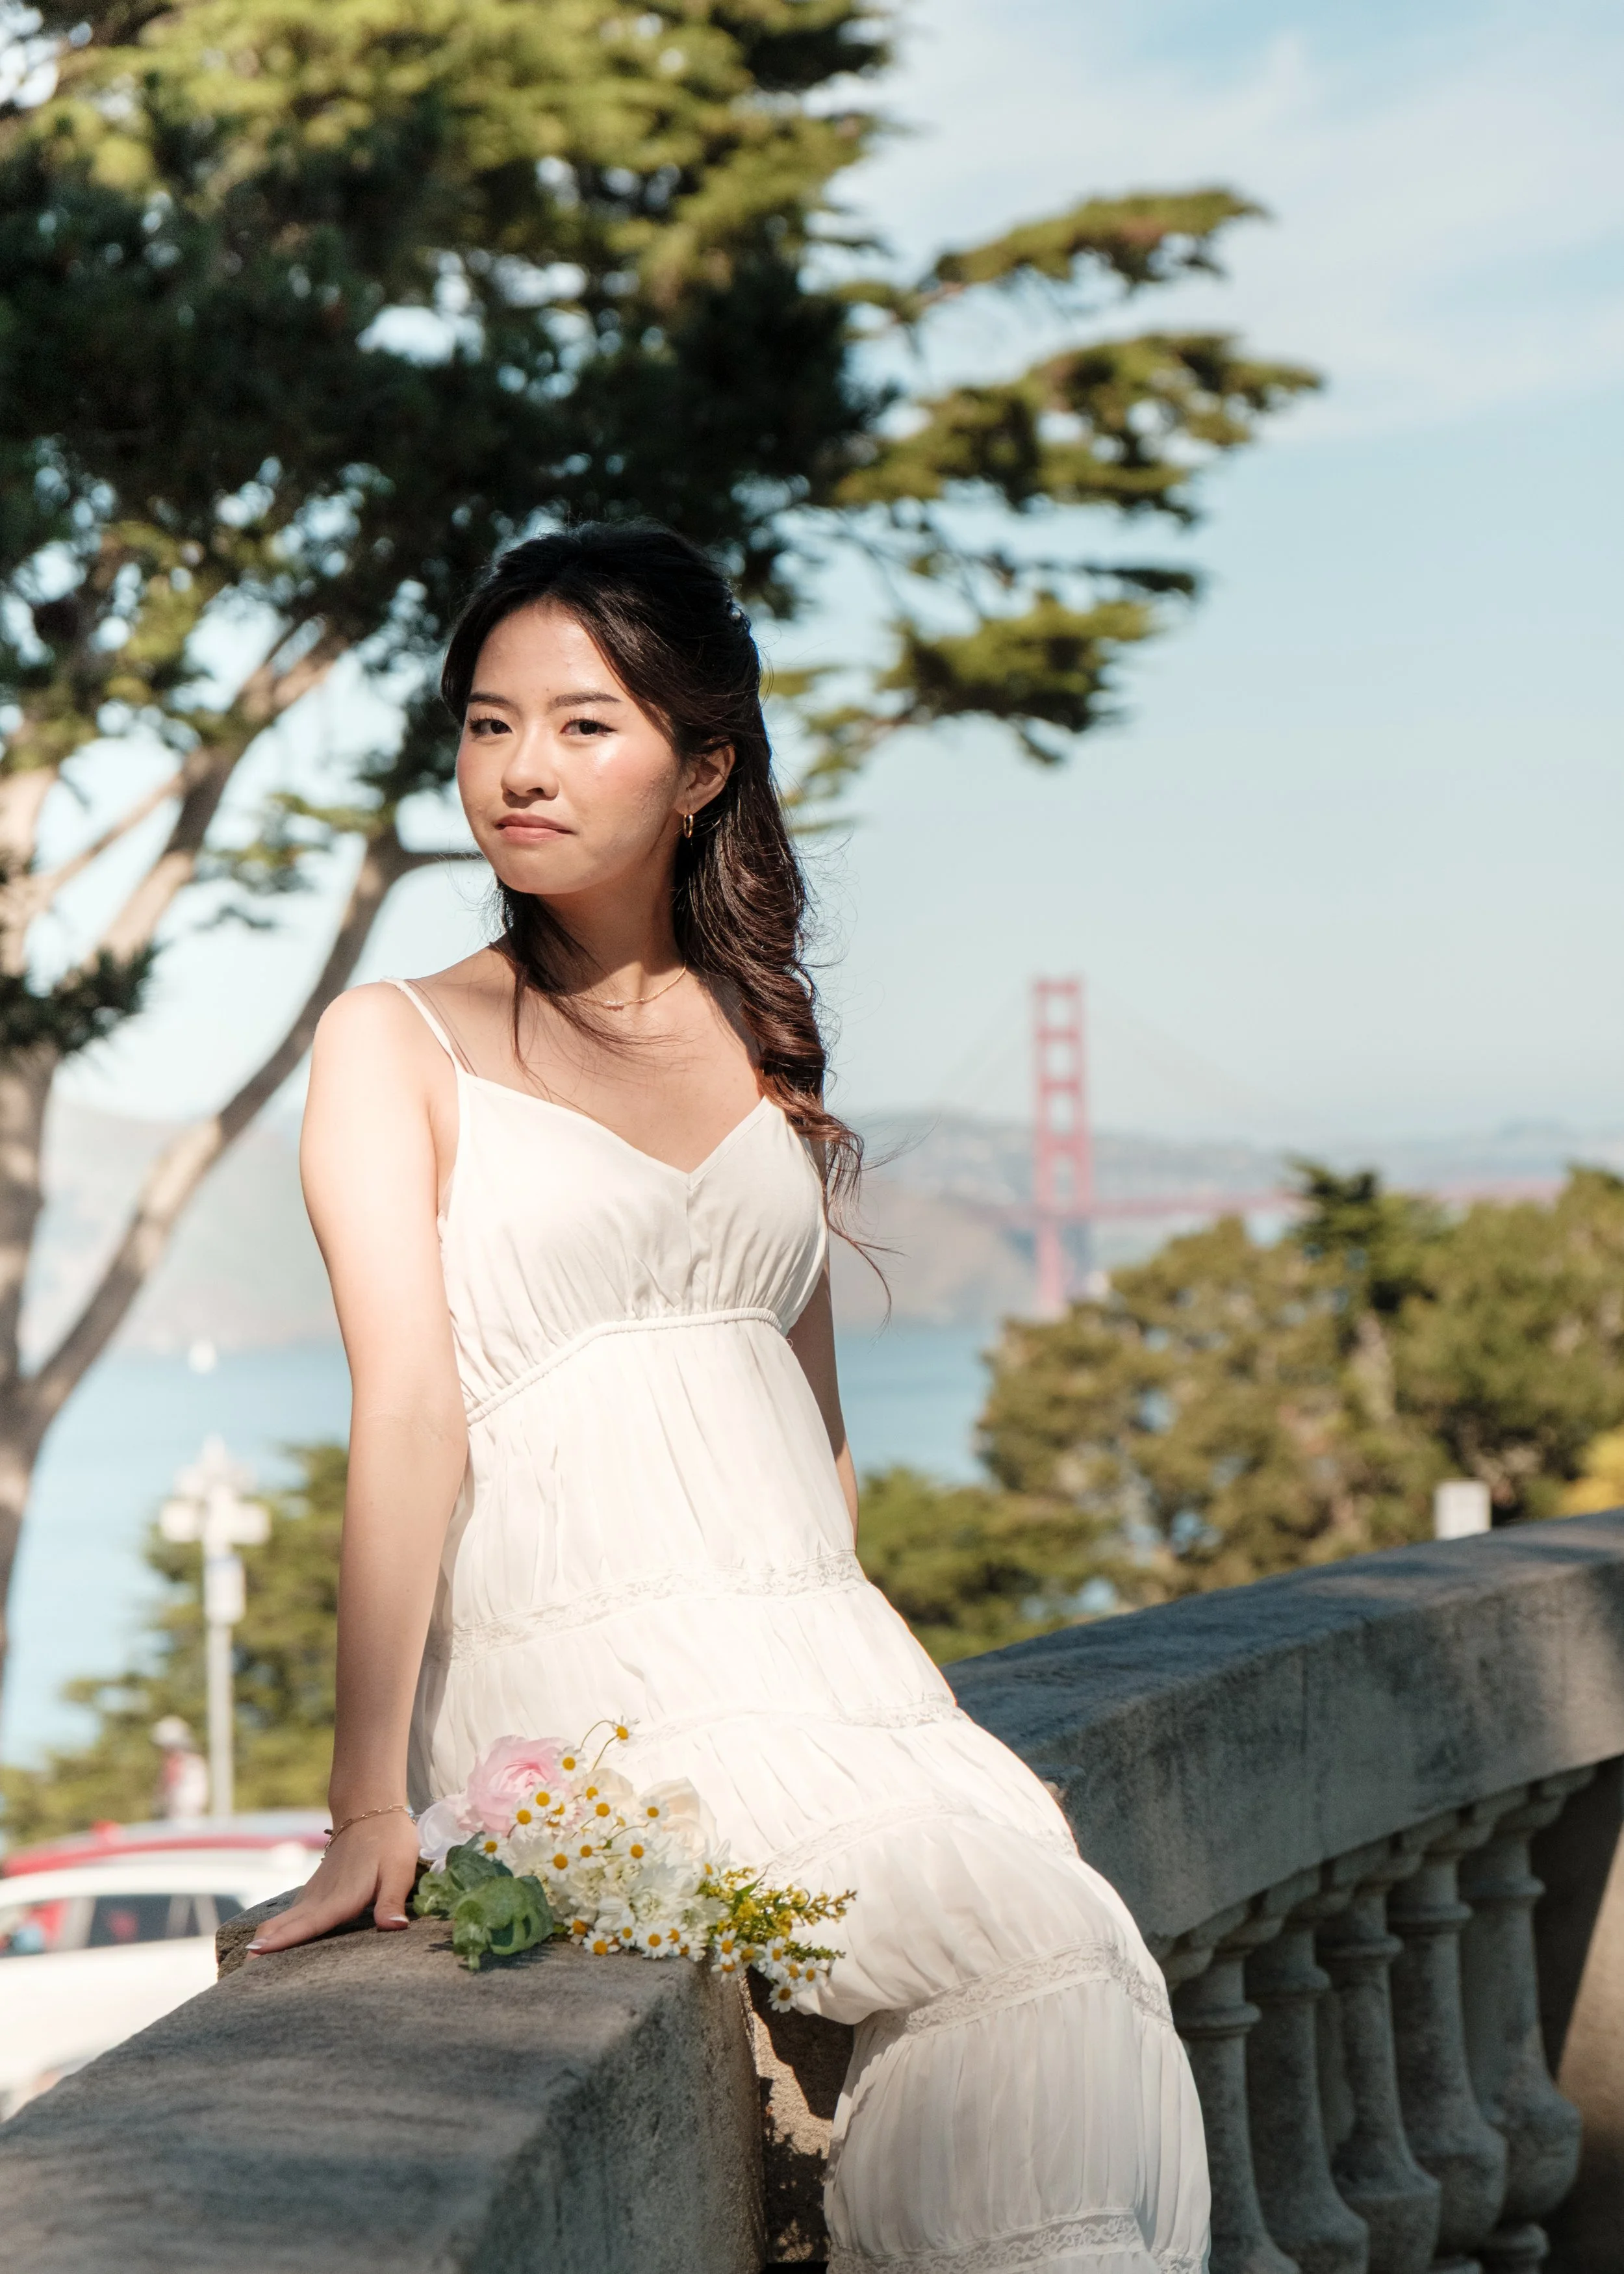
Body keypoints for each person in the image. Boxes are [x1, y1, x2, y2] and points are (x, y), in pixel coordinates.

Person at [249, 522, 1210, 2273]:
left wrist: (902, 1723)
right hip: (580, 1679)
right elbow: (407, 1415)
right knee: (1020, 1945)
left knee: (1057, 1939)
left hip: (806, 1661)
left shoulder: (756, 1028)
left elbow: (805, 1417)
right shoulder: (392, 1041)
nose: (520, 766)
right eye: (485, 721)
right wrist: (364, 1802)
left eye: (583, 723)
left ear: (702, 768)